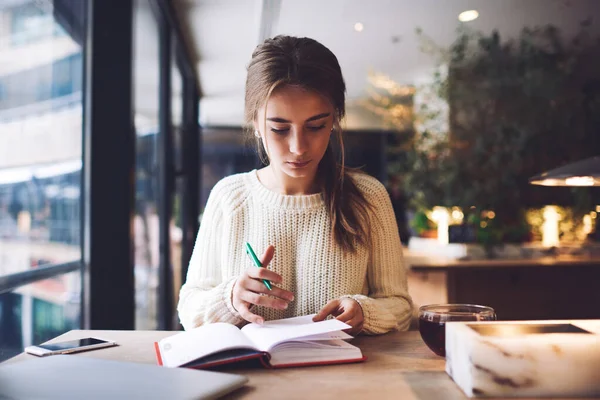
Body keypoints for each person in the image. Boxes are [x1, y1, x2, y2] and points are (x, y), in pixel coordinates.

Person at [178, 35, 413, 336]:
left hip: (345, 381)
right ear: (256, 125)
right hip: (252, 379)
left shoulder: (368, 197)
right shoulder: (230, 197)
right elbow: (189, 306)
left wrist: (364, 312)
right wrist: (231, 298)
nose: (298, 147)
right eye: (279, 129)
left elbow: (401, 307)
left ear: (335, 121)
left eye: (316, 126)